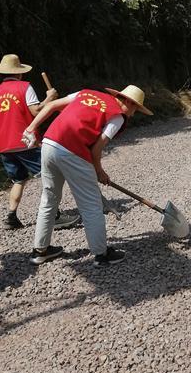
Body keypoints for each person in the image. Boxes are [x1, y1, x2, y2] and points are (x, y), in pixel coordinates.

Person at [23, 85, 152, 267]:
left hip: (49, 143)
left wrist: (30, 128)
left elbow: (51, 106)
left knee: (49, 198)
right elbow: (96, 149)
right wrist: (99, 171)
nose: (133, 114)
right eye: (136, 109)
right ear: (129, 103)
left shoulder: (86, 93)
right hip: (72, 151)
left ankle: (40, 251)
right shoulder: (117, 116)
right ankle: (101, 255)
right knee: (91, 205)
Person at [0, 53, 79, 231]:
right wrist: (50, 98)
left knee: (18, 180)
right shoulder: (24, 87)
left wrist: (0, 141)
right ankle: (55, 216)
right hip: (26, 141)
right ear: (19, 72)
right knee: (47, 175)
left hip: (5, 145)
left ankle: (11, 217)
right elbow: (36, 112)